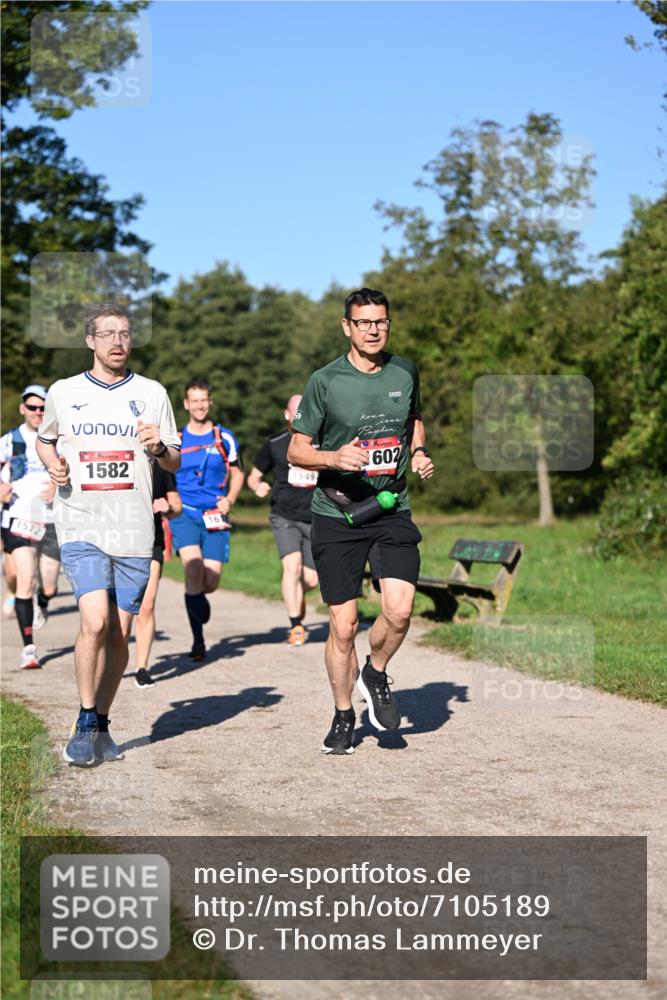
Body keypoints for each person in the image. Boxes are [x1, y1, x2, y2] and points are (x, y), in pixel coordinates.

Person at [288, 287, 434, 755]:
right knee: (344, 625)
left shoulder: (405, 370)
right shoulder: (325, 380)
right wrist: (334, 456)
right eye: (364, 322)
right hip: (337, 511)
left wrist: (418, 451)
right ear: (347, 326)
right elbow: (297, 448)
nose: (374, 330)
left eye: (381, 322)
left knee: (399, 609)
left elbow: (414, 420)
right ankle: (343, 714)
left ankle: (375, 672)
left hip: (391, 507)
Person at [36, 303, 181, 766]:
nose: (118, 341)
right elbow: (45, 437)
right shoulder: (64, 391)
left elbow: (174, 458)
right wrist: (51, 461)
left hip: (134, 526)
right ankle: (82, 719)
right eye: (108, 334)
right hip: (81, 519)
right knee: (95, 621)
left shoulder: (153, 392)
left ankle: (101, 721)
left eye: (125, 333)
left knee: (119, 634)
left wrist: (158, 446)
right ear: (91, 341)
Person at [170, 380, 244, 660]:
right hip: (185, 513)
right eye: (194, 401)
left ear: (210, 402)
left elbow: (238, 473)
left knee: (210, 581)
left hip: (215, 515)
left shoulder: (224, 437)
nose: (199, 405)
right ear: (186, 404)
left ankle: (199, 598)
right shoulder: (176, 440)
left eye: (204, 400)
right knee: (193, 567)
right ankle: (198, 642)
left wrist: (231, 499)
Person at [247, 394, 319, 646]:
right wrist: (257, 487)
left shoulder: (323, 442)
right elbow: (253, 477)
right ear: (287, 415)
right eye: (296, 413)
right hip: (284, 515)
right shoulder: (275, 443)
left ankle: (294, 595)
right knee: (292, 568)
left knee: (311, 579)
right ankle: (296, 625)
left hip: (315, 518)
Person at [1, 384, 61, 669]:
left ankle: (44, 601)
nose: (38, 412)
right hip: (19, 517)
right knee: (26, 579)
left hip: (52, 521)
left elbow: (74, 470)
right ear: (23, 408)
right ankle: (29, 649)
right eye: (33, 407)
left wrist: (59, 484)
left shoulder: (60, 439)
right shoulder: (10, 440)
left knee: (48, 585)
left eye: (42, 408)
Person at [132, 462, 183, 688]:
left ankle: (141, 667)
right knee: (120, 617)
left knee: (147, 606)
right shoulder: (118, 460)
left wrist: (167, 507)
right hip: (117, 543)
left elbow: (176, 506)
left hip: (151, 542)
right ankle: (114, 659)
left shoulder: (161, 468)